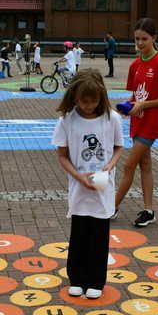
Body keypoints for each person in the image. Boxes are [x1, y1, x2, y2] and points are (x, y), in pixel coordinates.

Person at [52, 69, 124, 299]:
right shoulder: (67, 120)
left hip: (103, 190)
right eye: (84, 102)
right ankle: (77, 278)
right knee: (79, 235)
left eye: (93, 102)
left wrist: (110, 166)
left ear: (101, 97)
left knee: (99, 237)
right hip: (79, 189)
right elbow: (62, 156)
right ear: (75, 96)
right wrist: (78, 176)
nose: (89, 106)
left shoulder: (111, 118)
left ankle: (96, 281)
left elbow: (118, 148)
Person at [112, 18, 158, 227]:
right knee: (145, 164)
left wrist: (144, 105)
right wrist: (127, 106)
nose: (140, 43)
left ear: (154, 38)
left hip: (152, 123)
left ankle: (111, 207)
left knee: (129, 165)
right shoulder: (135, 64)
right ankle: (149, 211)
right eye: (137, 39)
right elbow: (136, 96)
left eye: (144, 39)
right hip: (138, 121)